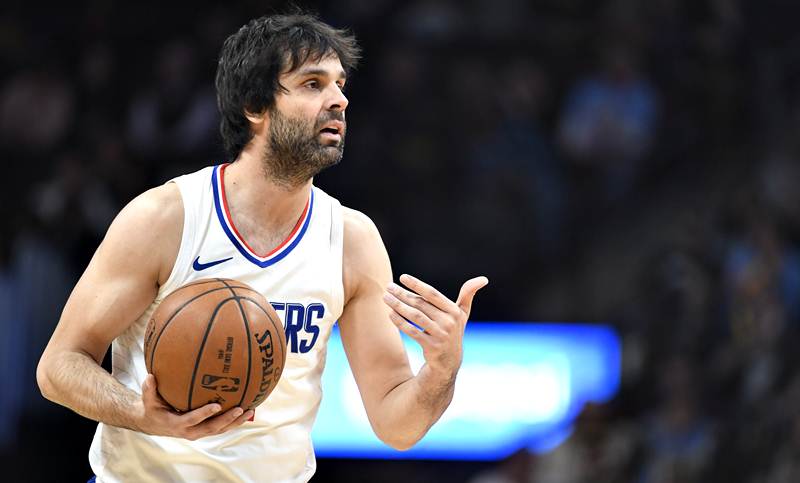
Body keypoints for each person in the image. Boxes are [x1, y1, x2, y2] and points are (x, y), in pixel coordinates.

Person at [36, 12, 488, 483]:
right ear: (255, 105)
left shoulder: (351, 240)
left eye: (340, 85)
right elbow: (58, 367)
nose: (338, 100)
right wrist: (141, 413)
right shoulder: (166, 219)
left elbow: (396, 426)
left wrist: (441, 370)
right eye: (313, 84)